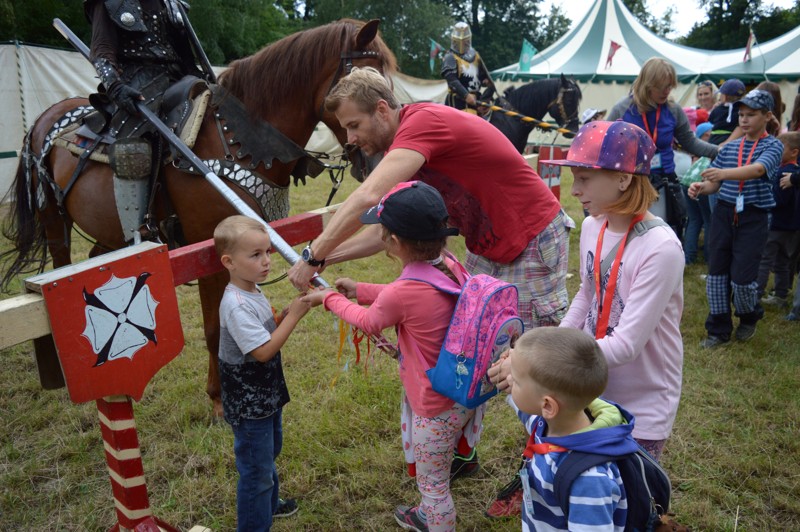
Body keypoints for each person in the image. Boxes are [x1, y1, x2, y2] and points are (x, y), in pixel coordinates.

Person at [486, 121, 684, 517]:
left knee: (630, 499)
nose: (574, 190)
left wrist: (541, 363)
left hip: (640, 396)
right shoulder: (594, 226)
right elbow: (588, 293)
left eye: (584, 179)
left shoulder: (661, 248)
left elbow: (626, 345)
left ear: (624, 179)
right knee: (582, 480)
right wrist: (545, 347)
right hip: (587, 380)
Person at [303, 181, 478, 532]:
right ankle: (429, 512)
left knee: (434, 486)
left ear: (394, 243)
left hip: (433, 406)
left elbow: (370, 321)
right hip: (462, 389)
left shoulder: (404, 291)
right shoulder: (450, 264)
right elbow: (412, 298)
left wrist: (329, 299)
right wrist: (363, 290)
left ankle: (435, 519)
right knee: (439, 472)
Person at [489, 327, 640, 530]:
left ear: (548, 406)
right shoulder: (547, 424)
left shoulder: (589, 480)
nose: (508, 380)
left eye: (515, 381)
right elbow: (525, 410)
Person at [214, 215, 310, 531]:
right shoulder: (236, 304)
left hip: (265, 396)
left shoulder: (251, 289)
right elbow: (263, 350)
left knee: (268, 455)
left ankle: (270, 506)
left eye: (268, 252)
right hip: (249, 402)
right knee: (256, 471)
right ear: (229, 262)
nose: (267, 261)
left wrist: (284, 312)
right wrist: (293, 318)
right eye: (255, 255)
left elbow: (264, 328)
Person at [85, 0, 208, 243]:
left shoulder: (172, 4)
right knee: (134, 145)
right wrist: (116, 86)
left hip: (178, 78)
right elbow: (101, 52)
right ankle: (137, 233)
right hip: (135, 81)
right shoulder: (111, 2)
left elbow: (185, 55)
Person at [689, 89, 784, 347]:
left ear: (767, 116)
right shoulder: (729, 148)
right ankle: (718, 329)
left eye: (751, 115)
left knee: (743, 279)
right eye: (741, 114)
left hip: (753, 217)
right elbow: (716, 187)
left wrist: (722, 174)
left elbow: (758, 169)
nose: (744, 120)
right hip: (724, 213)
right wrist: (701, 188)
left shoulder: (773, 145)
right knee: (717, 273)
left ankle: (748, 315)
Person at [607, 57, 718, 238]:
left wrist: (718, 151)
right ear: (647, 84)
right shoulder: (623, 109)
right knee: (633, 234)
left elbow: (690, 142)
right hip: (630, 183)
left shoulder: (673, 110)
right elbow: (607, 144)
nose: (667, 91)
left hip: (663, 182)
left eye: (670, 86)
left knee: (661, 233)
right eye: (662, 86)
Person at [756, 132, 800, 307]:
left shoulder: (785, 174)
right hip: (792, 226)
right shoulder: (794, 173)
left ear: (794, 152)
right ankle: (780, 295)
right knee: (782, 260)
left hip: (777, 225)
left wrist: (764, 200)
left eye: (780, 149)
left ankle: (756, 293)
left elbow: (779, 200)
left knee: (765, 260)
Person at [441, 22, 495, 112]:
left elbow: (485, 79)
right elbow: (452, 80)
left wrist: (485, 99)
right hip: (458, 103)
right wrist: (466, 95)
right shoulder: (450, 57)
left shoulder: (475, 56)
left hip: (476, 102)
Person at [682, 122, 715, 264]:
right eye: (707, 135)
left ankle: (689, 257)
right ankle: (708, 257)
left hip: (687, 183)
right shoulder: (710, 154)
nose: (710, 138)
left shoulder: (699, 156)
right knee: (707, 221)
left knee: (695, 220)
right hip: (699, 185)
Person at [708, 78, 747, 146]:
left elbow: (711, 120)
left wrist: (714, 109)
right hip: (735, 143)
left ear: (725, 96)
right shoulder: (741, 109)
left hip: (715, 140)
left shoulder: (718, 109)